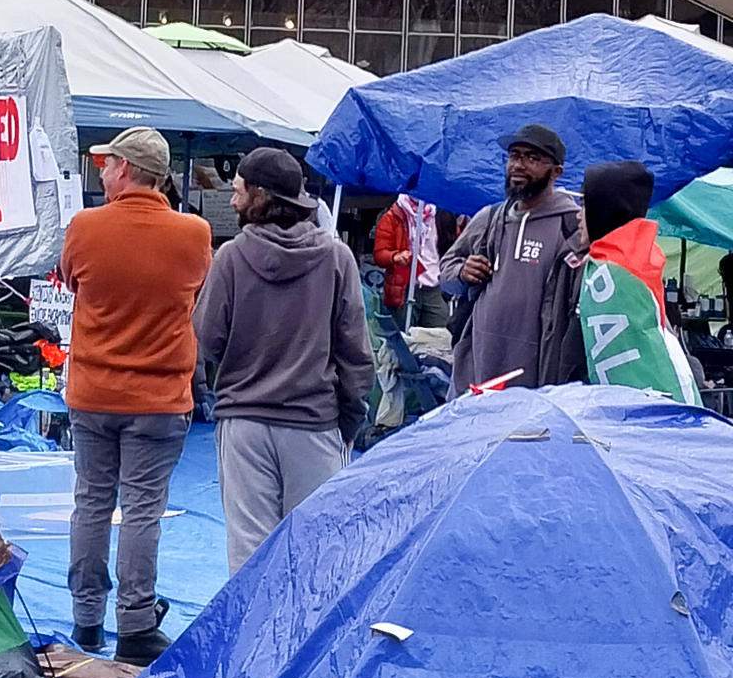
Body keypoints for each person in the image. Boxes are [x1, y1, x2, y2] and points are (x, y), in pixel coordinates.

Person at [59, 127, 212, 666]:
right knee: (143, 511)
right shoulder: (194, 234)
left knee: (92, 503)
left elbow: (72, 281)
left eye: (106, 164)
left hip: (93, 392)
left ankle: (85, 618)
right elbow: (195, 293)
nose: (100, 172)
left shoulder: (85, 227)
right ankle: (136, 623)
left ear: (125, 169)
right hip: (159, 397)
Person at [194, 148, 374, 572]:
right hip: (314, 422)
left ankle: (256, 639)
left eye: (237, 191)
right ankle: (308, 639)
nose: (233, 200)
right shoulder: (336, 257)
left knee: (250, 555)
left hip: (245, 422)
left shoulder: (232, 258)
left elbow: (206, 338)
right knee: (316, 551)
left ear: (259, 194)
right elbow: (356, 353)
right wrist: (348, 418)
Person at [438, 123, 585, 396]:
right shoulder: (490, 218)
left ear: (556, 172)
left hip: (536, 377)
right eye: (514, 156)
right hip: (478, 367)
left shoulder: (571, 227)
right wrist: (462, 272)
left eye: (532, 158)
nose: (519, 165)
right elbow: (445, 273)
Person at [577, 161, 701, 403]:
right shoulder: (621, 258)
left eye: (584, 204)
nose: (577, 214)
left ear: (603, 208)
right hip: (654, 404)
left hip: (651, 408)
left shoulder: (621, 264)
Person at [373, 194, 448, 328]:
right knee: (403, 338)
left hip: (434, 288)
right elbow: (379, 255)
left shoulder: (440, 214)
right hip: (404, 288)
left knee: (439, 337)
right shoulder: (393, 216)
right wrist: (395, 257)